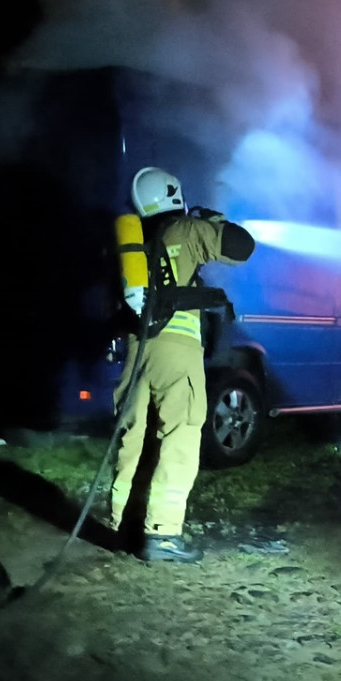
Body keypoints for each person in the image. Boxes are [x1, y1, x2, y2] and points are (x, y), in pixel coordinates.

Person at [110, 166, 254, 563]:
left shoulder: (137, 240)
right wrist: (214, 221)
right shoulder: (185, 229)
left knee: (133, 435)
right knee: (181, 434)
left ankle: (123, 526)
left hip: (138, 350)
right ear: (174, 195)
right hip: (177, 349)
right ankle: (163, 534)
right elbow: (242, 246)